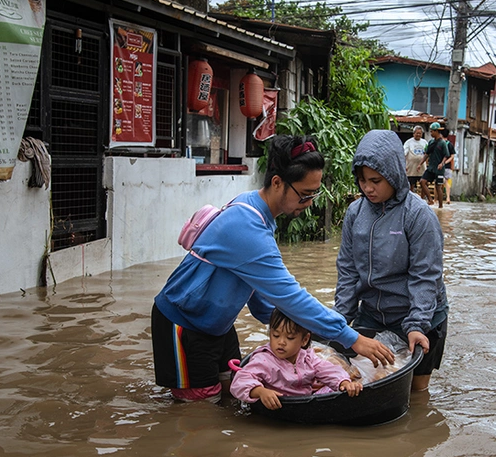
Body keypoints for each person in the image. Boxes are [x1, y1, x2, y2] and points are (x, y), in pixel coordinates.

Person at [151, 134, 394, 403]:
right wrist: (351, 338)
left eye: (314, 194)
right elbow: (289, 296)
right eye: (304, 194)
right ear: (277, 182)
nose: (310, 202)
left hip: (218, 324)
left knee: (232, 395)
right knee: (199, 408)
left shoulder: (256, 210)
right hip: (185, 324)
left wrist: (299, 341)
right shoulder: (247, 226)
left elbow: (262, 301)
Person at [336, 130, 449, 392]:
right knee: (360, 379)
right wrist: (339, 321)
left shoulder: (418, 215)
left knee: (416, 392)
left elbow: (425, 276)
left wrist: (417, 324)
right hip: (373, 316)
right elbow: (348, 271)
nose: (368, 188)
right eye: (362, 180)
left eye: (375, 180)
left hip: (421, 316)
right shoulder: (355, 213)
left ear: (394, 174)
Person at [229, 308, 363, 410]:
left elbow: (328, 370)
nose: (281, 342)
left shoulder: (307, 356)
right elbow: (239, 381)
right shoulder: (263, 360)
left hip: (305, 402)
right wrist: (260, 391)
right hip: (279, 406)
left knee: (343, 392)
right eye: (276, 335)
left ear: (304, 340)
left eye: (290, 338)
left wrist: (344, 382)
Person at [417, 122, 448, 208]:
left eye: (432, 131)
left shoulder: (443, 143)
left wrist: (442, 163)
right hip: (431, 167)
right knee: (422, 181)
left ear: (437, 131)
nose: (431, 133)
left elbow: (446, 155)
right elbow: (426, 154)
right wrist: (420, 164)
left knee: (438, 186)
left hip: (439, 169)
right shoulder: (431, 142)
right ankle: (430, 199)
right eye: (430, 131)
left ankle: (440, 206)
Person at [403, 125, 428, 196]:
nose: (418, 135)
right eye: (417, 133)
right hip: (411, 167)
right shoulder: (408, 142)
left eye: (420, 133)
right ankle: (411, 197)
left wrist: (426, 163)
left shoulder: (424, 142)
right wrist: (404, 165)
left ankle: (422, 198)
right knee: (411, 184)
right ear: (413, 133)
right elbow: (404, 154)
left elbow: (427, 153)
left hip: (422, 167)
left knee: (423, 183)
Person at [441, 126, 457, 204]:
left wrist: (443, 162)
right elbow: (452, 156)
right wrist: (448, 162)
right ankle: (448, 198)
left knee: (438, 182)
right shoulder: (450, 144)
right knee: (447, 182)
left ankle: (436, 199)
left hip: (440, 166)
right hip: (447, 166)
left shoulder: (439, 143)